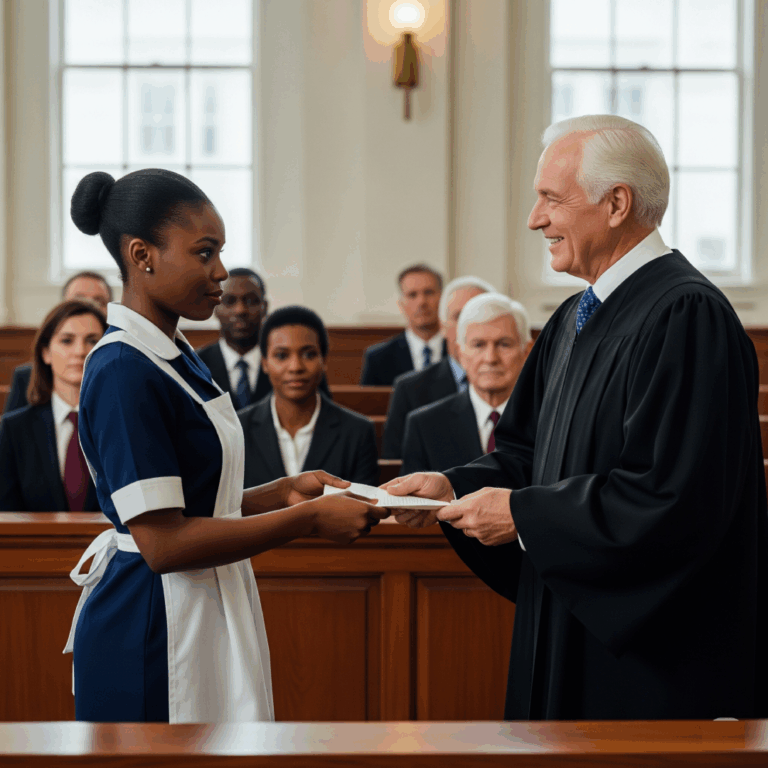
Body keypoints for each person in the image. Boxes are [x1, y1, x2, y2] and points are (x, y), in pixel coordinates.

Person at [385, 114, 768, 720]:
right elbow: (527, 454)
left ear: (616, 203)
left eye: (550, 199)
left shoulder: (686, 316)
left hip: (646, 665)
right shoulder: (574, 318)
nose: (536, 219)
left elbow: (672, 501)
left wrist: (520, 513)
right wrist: (452, 487)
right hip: (564, 632)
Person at [64, 168, 386, 724]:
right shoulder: (122, 368)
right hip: (153, 619)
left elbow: (199, 503)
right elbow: (163, 542)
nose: (222, 272)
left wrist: (285, 491)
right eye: (204, 253)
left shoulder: (177, 351)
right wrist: (307, 519)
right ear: (142, 255)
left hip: (201, 598)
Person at [239, 306, 378, 488]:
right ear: (264, 363)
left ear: (324, 360)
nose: (296, 367)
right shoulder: (238, 429)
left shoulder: (357, 431)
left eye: (308, 354)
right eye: (282, 355)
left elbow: (365, 507)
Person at [401, 294, 531, 476]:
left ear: (526, 352)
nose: (490, 358)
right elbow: (411, 502)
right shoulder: (425, 425)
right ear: (461, 355)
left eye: (504, 344)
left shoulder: (550, 421)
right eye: (478, 345)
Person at [0, 300, 106, 511]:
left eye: (92, 340)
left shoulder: (125, 424)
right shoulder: (14, 429)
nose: (80, 351)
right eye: (67, 341)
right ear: (45, 353)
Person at [381, 276, 496, 458]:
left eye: (478, 315)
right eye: (459, 316)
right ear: (443, 325)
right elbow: (395, 461)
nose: (469, 326)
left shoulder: (522, 384)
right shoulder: (410, 389)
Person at [196, 268, 331, 407]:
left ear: (265, 307)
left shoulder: (296, 362)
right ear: (215, 308)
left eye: (250, 301)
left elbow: (322, 415)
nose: (240, 310)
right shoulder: (195, 364)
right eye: (229, 301)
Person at [4, 271, 113, 414]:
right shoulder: (26, 378)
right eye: (78, 299)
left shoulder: (125, 373)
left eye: (99, 301)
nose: (88, 306)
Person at [359, 264, 446, 386]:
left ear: (443, 298)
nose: (421, 302)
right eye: (412, 295)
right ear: (401, 304)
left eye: (429, 292)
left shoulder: (459, 351)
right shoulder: (379, 358)